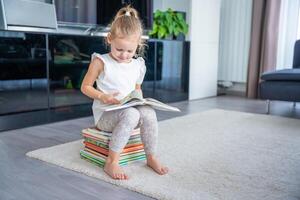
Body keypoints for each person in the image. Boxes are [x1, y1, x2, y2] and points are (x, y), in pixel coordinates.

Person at [81, 5, 169, 180]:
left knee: (148, 113)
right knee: (130, 114)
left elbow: (137, 89)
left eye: (130, 51)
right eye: (119, 49)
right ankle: (112, 161)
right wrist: (102, 96)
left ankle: (151, 157)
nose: (124, 55)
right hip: (106, 116)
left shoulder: (138, 65)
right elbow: (85, 87)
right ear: (110, 39)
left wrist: (141, 101)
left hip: (129, 111)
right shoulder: (101, 61)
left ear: (138, 45)